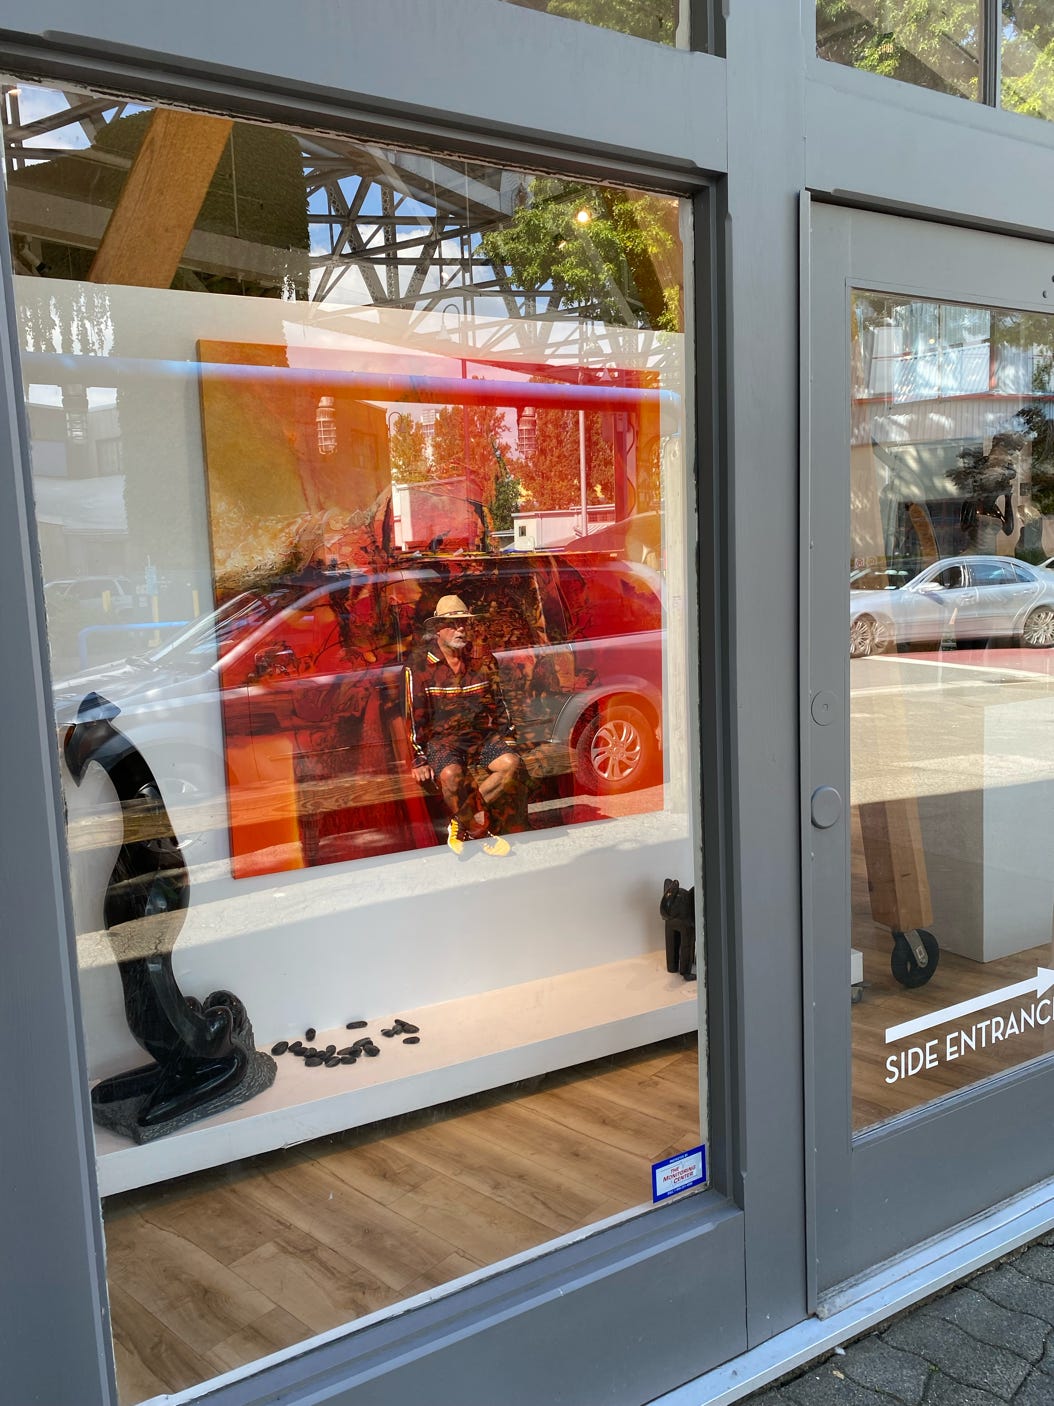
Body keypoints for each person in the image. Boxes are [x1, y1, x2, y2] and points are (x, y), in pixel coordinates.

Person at [405, 594, 527, 854]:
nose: (460, 629)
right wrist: (419, 758)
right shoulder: (419, 666)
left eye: (463, 623)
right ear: (438, 629)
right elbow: (414, 716)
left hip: (480, 737)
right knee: (450, 776)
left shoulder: (482, 658)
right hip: (443, 741)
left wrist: (508, 738)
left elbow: (498, 702)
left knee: (511, 764)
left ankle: (461, 822)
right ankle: (480, 832)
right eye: (452, 624)